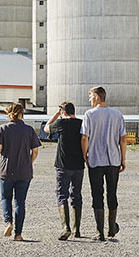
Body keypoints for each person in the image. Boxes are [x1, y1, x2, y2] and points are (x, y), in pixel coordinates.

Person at [80, 85, 126, 241]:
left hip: (95, 160)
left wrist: (85, 155)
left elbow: (84, 137)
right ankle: (111, 228)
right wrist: (123, 159)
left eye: (91, 96)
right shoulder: (117, 114)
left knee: (97, 194)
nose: (90, 100)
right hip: (113, 159)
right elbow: (123, 139)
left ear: (98, 97)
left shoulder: (89, 115)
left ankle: (100, 232)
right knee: (112, 193)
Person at [0, 102, 40, 241]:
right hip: (24, 171)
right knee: (20, 202)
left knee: (6, 198)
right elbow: (35, 150)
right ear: (22, 113)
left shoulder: (3, 128)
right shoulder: (29, 130)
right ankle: (18, 234)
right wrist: (29, 161)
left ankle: (9, 222)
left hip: (7, 170)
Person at [46, 100, 84, 240]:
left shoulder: (61, 123)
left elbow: (46, 128)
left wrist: (56, 114)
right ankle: (77, 229)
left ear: (63, 112)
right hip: (79, 165)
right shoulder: (81, 123)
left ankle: (65, 227)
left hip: (63, 164)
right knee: (77, 195)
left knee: (62, 195)